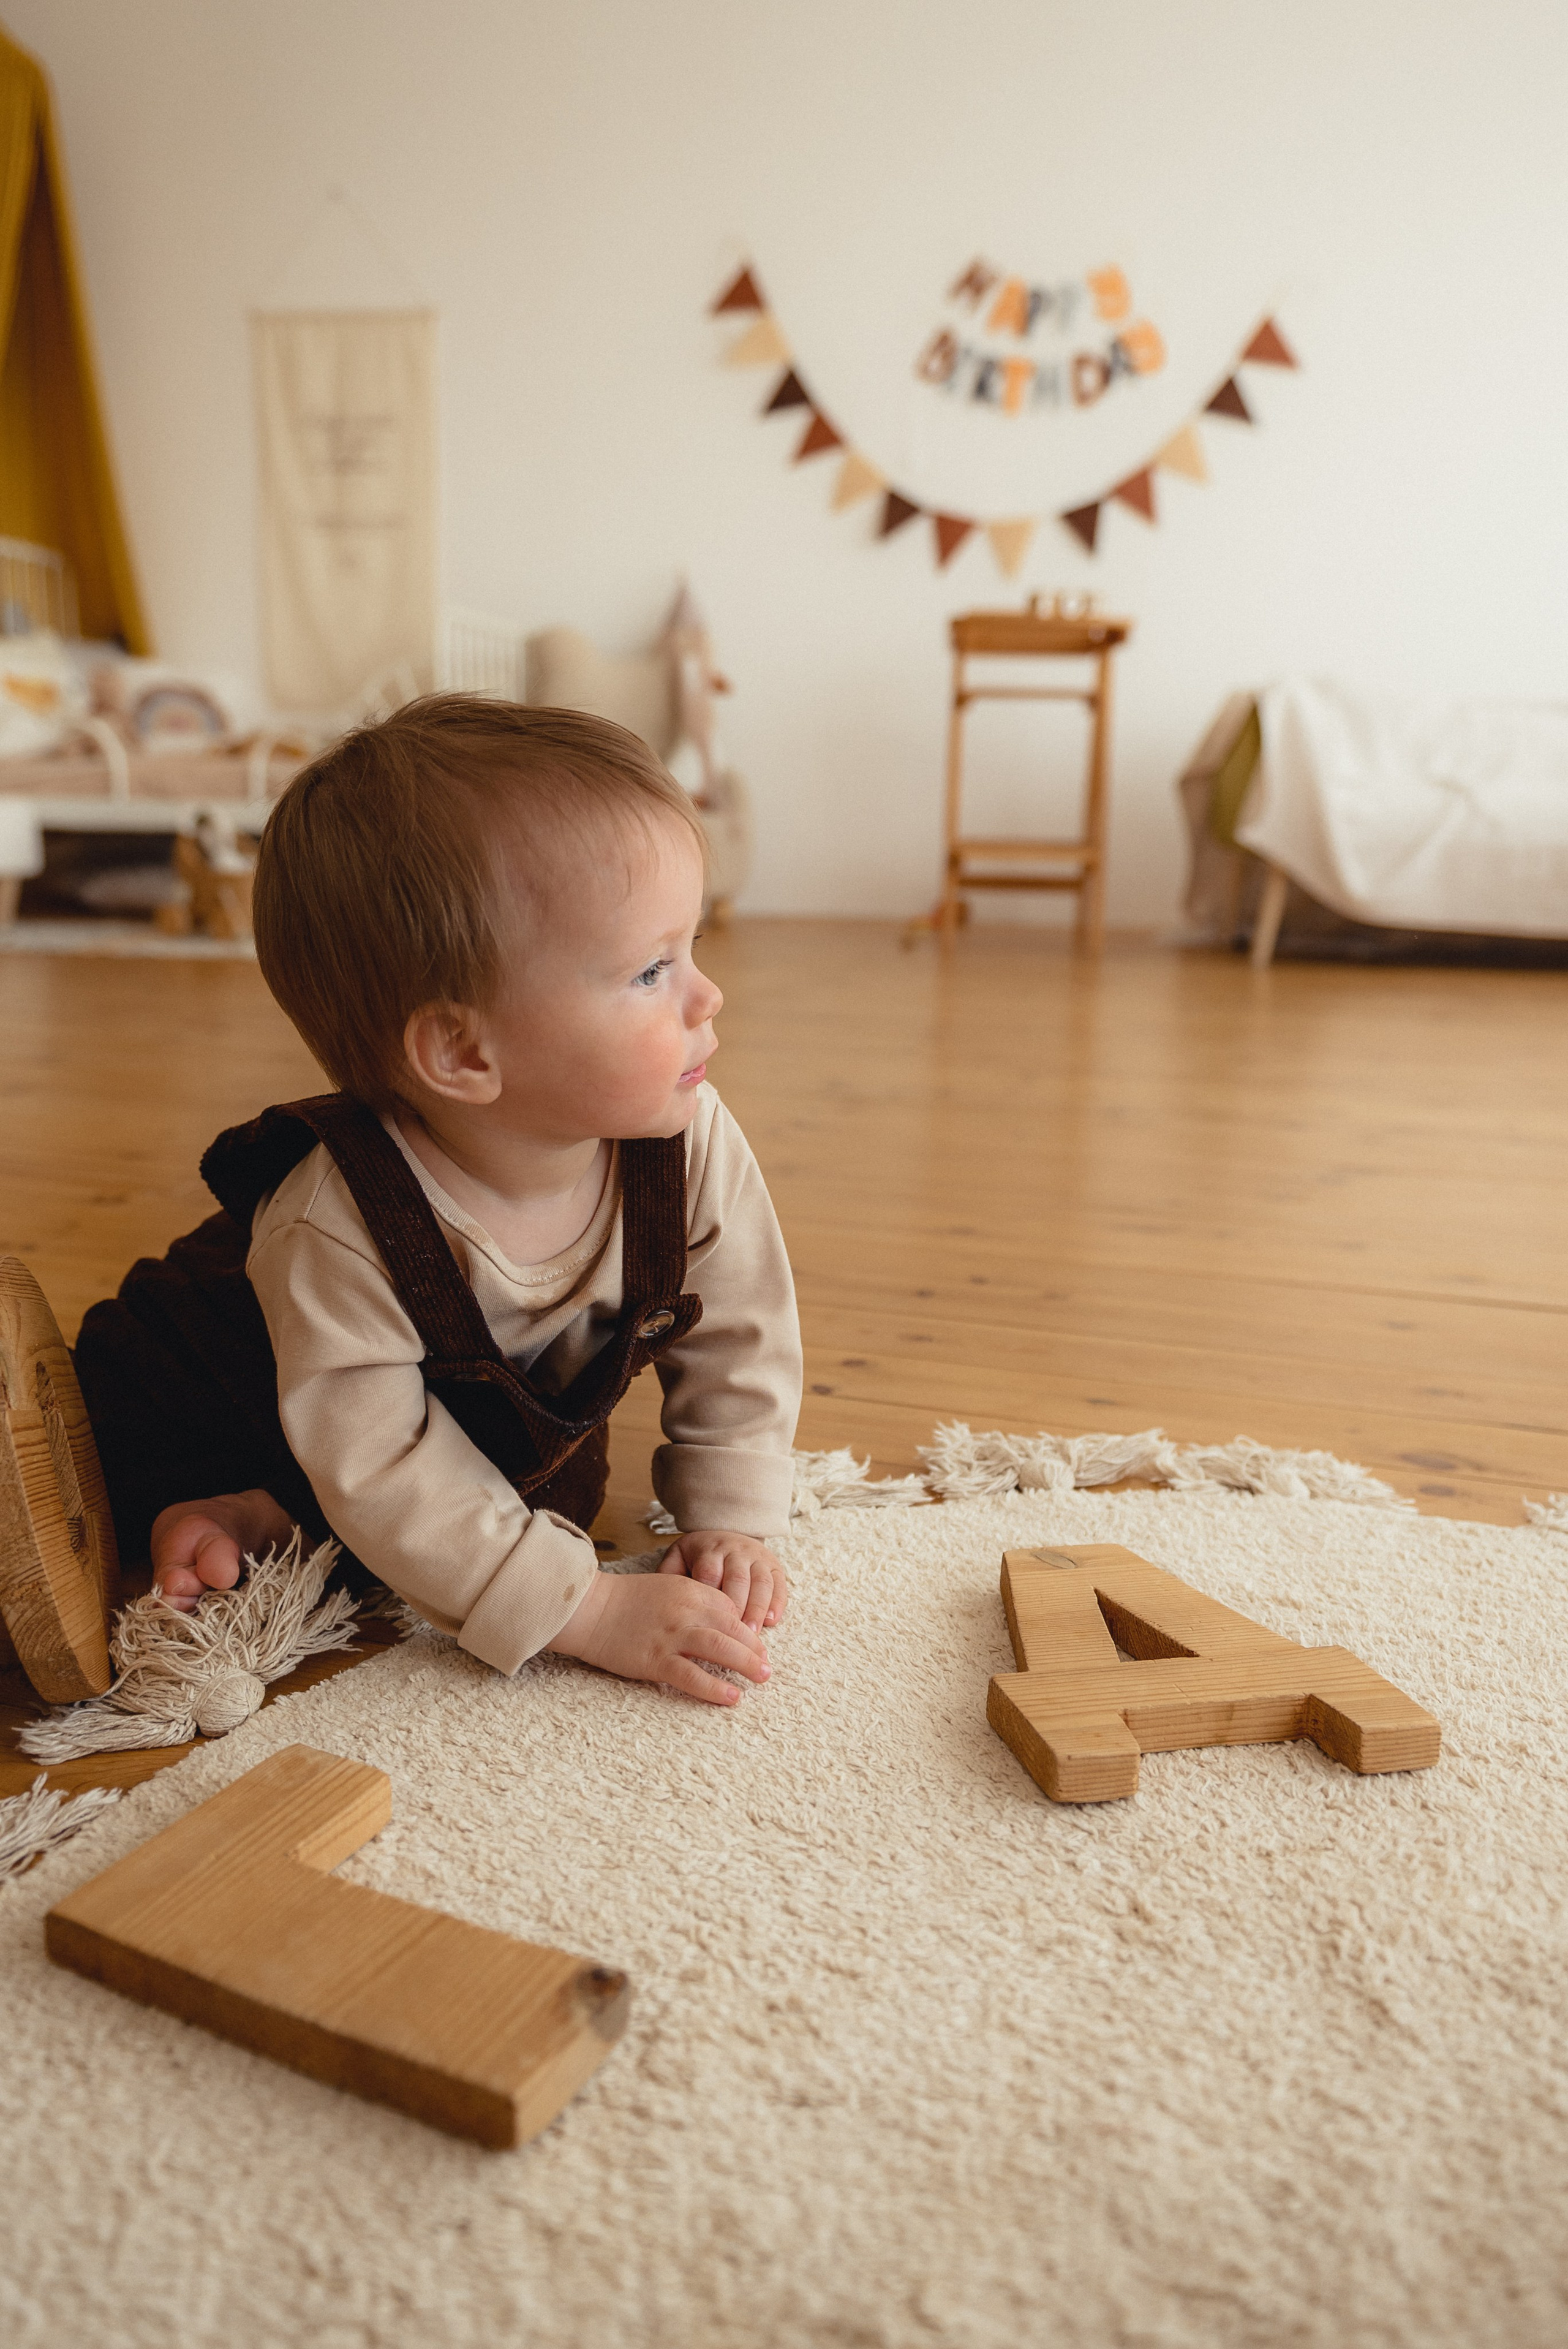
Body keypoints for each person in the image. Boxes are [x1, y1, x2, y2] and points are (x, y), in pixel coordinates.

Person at [72, 698, 801, 1710]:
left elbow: (744, 1331)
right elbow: (381, 1457)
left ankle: (267, 1519)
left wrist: (731, 1510)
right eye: (651, 969)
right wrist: (585, 1612)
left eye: (692, 948)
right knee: (134, 1446)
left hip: (443, 1410)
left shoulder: (688, 1141)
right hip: (219, 1374)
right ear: (464, 1053)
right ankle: (245, 1497)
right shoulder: (335, 1223)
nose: (706, 995)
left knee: (532, 1493)